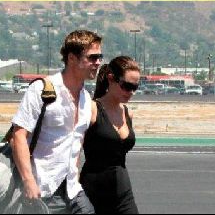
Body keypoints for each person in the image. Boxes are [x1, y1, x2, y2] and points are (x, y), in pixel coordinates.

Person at [11, 30, 103, 214]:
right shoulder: (42, 90)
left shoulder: (86, 98)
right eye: (92, 58)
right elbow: (18, 136)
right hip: (43, 189)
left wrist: (74, 175)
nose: (98, 62)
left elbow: (77, 140)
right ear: (72, 58)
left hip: (72, 189)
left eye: (100, 57)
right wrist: (29, 181)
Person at [80, 56, 140, 214]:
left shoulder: (128, 113)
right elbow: (73, 149)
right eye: (126, 86)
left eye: (135, 87)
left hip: (123, 191)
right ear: (111, 79)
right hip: (93, 191)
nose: (131, 92)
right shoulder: (92, 109)